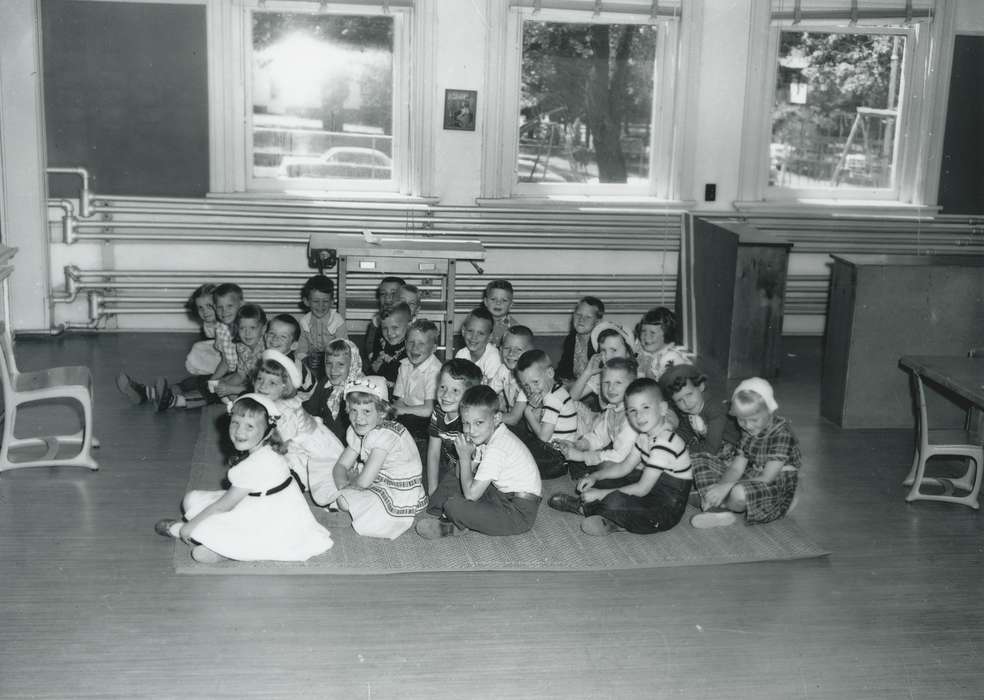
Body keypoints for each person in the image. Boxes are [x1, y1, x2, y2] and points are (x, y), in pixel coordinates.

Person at [153, 393, 334, 562]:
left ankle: (221, 547)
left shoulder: (254, 464)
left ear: (269, 431)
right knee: (192, 500)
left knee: (197, 519)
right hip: (270, 506)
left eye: (250, 426)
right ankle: (221, 545)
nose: (240, 432)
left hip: (273, 522)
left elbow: (225, 505)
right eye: (235, 423)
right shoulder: (268, 449)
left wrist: (189, 526)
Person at [548, 378, 692, 536]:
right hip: (651, 487)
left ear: (663, 409)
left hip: (666, 508)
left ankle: (598, 515)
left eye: (645, 408)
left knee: (614, 500)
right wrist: (595, 477)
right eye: (632, 410)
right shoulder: (645, 434)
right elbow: (625, 467)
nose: (639, 416)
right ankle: (609, 516)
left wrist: (601, 494)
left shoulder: (665, 444)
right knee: (606, 474)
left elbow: (641, 489)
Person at [417, 385, 541, 539]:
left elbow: (471, 495)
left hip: (519, 513)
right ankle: (460, 517)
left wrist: (464, 457)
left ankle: (453, 526)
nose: (470, 430)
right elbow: (458, 474)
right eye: (466, 423)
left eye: (478, 423)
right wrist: (467, 457)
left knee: (453, 505)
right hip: (501, 495)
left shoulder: (497, 448)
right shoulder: (488, 436)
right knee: (454, 480)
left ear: (496, 418)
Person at [318, 376, 428, 540]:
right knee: (326, 473)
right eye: (354, 410)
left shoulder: (385, 435)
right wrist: (343, 485)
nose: (358, 418)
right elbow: (340, 466)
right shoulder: (359, 430)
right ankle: (348, 510)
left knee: (344, 500)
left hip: (399, 492)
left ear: (382, 412)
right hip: (379, 480)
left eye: (367, 411)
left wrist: (345, 490)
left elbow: (364, 482)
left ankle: (348, 514)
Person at [690, 378, 801, 529]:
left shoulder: (782, 434)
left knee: (738, 493)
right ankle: (716, 506)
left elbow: (767, 477)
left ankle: (715, 503)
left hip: (772, 482)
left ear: (769, 410)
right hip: (751, 475)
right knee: (698, 458)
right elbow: (736, 468)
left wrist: (725, 488)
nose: (748, 426)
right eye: (741, 420)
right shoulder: (748, 430)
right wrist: (721, 486)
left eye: (754, 419)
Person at [253, 350, 345, 506]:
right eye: (260, 379)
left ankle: (292, 484)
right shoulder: (268, 403)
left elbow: (281, 445)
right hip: (294, 444)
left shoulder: (284, 411)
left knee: (282, 469)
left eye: (272, 383)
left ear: (284, 387)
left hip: (310, 451)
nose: (262, 385)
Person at [554, 357, 640, 481]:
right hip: (621, 457)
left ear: (632, 386)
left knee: (604, 466)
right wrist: (579, 445)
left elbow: (620, 457)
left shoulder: (632, 418)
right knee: (584, 458)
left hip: (638, 469)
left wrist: (582, 456)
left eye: (618, 383)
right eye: (606, 382)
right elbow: (599, 437)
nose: (610, 388)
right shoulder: (612, 408)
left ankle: (591, 485)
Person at [515, 349, 585, 479]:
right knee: (515, 433)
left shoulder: (553, 398)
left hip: (557, 457)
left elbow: (543, 437)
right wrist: (533, 411)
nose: (532, 389)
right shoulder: (552, 391)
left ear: (550, 373)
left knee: (519, 454)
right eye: (526, 385)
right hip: (549, 448)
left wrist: (528, 412)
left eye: (535, 382)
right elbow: (532, 430)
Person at [425, 358, 483, 496]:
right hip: (450, 463)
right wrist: (432, 489)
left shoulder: (469, 423)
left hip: (472, 471)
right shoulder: (438, 412)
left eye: (455, 390)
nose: (446, 395)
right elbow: (433, 453)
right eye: (443, 387)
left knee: (449, 502)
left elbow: (466, 468)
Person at [658, 364, 738, 457]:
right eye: (679, 400)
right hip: (711, 449)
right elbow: (684, 433)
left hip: (733, 450)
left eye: (689, 394)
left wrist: (682, 451)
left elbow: (711, 448)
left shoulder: (715, 409)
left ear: (701, 386)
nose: (687, 403)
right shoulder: (687, 413)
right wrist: (667, 443)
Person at [303, 338, 364, 445]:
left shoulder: (359, 391)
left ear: (353, 365)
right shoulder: (325, 384)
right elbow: (310, 409)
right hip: (324, 439)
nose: (333, 369)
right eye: (329, 363)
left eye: (340, 364)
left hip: (348, 446)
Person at [393, 318, 442, 441]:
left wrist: (402, 410)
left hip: (429, 418)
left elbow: (428, 409)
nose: (415, 348)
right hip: (408, 412)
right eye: (411, 342)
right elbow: (400, 400)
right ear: (405, 344)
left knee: (406, 423)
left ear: (434, 348)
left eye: (422, 344)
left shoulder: (435, 370)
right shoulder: (404, 365)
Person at [568, 323, 636, 409]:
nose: (607, 356)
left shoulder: (635, 376)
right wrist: (587, 373)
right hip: (606, 420)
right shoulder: (600, 376)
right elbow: (571, 399)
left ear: (628, 353)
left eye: (614, 350)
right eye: (603, 350)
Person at [296, 275, 347, 384]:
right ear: (306, 301)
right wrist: (307, 360)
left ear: (332, 301)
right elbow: (300, 350)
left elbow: (345, 350)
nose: (321, 306)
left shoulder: (338, 321)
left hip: (335, 366)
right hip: (311, 367)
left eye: (325, 301)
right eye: (315, 301)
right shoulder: (304, 322)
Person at [489, 325, 533, 428]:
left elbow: (514, 419)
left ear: (530, 352)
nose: (511, 353)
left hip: (529, 424)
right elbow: (488, 393)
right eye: (507, 348)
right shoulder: (503, 369)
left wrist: (485, 416)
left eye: (518, 349)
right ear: (500, 350)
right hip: (511, 417)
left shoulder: (528, 378)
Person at [634, 307, 692, 382]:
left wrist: (647, 370)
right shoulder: (646, 353)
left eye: (652, 333)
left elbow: (663, 388)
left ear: (667, 334)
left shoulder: (671, 357)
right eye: (643, 331)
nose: (646, 337)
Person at [557, 296, 605, 386]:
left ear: (597, 322)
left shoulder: (601, 343)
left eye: (588, 317)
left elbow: (600, 378)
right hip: (574, 388)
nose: (581, 320)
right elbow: (563, 370)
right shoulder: (570, 340)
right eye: (578, 314)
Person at [368, 302, 411, 392]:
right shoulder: (381, 341)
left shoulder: (411, 347)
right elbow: (373, 370)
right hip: (380, 390)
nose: (389, 333)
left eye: (395, 328)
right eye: (384, 328)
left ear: (408, 325)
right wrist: (375, 367)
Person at [362, 276, 405, 366]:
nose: (388, 298)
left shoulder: (410, 323)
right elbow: (369, 349)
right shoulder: (376, 322)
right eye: (383, 294)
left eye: (393, 293)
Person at [454, 306, 502, 384]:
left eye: (480, 333)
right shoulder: (461, 354)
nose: (474, 337)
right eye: (470, 331)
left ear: (490, 337)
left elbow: (492, 391)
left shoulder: (493, 357)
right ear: (463, 331)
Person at [183, 283, 221, 376]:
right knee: (197, 347)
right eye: (200, 308)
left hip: (228, 352)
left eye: (209, 306)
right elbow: (209, 338)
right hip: (217, 348)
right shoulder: (208, 323)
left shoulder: (225, 321)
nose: (205, 311)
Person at [482, 279, 518, 347]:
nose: (498, 303)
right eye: (493, 299)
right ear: (486, 302)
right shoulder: (478, 322)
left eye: (504, 300)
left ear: (511, 304)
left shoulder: (514, 327)